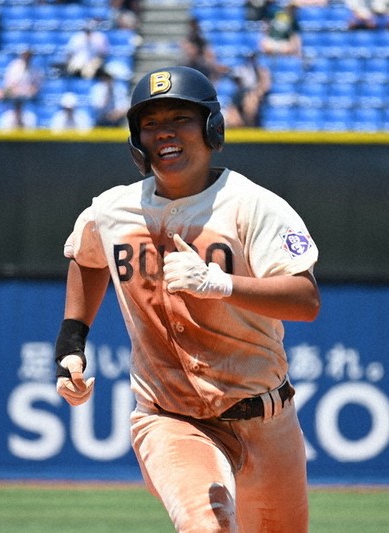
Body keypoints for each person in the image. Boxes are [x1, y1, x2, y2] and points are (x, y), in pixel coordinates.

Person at [54, 66, 320, 532]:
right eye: (150, 124)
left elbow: (305, 300)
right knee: (206, 526)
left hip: (266, 420)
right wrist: (71, 343)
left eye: (180, 118)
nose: (164, 132)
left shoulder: (251, 205)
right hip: (169, 418)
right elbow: (87, 255)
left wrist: (221, 284)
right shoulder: (113, 209)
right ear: (137, 141)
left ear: (212, 128)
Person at [224, 52, 271, 127]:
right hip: (243, 94)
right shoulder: (241, 70)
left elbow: (265, 86)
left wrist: (256, 92)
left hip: (257, 96)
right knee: (232, 116)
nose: (251, 62)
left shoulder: (262, 71)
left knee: (251, 100)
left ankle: (249, 125)